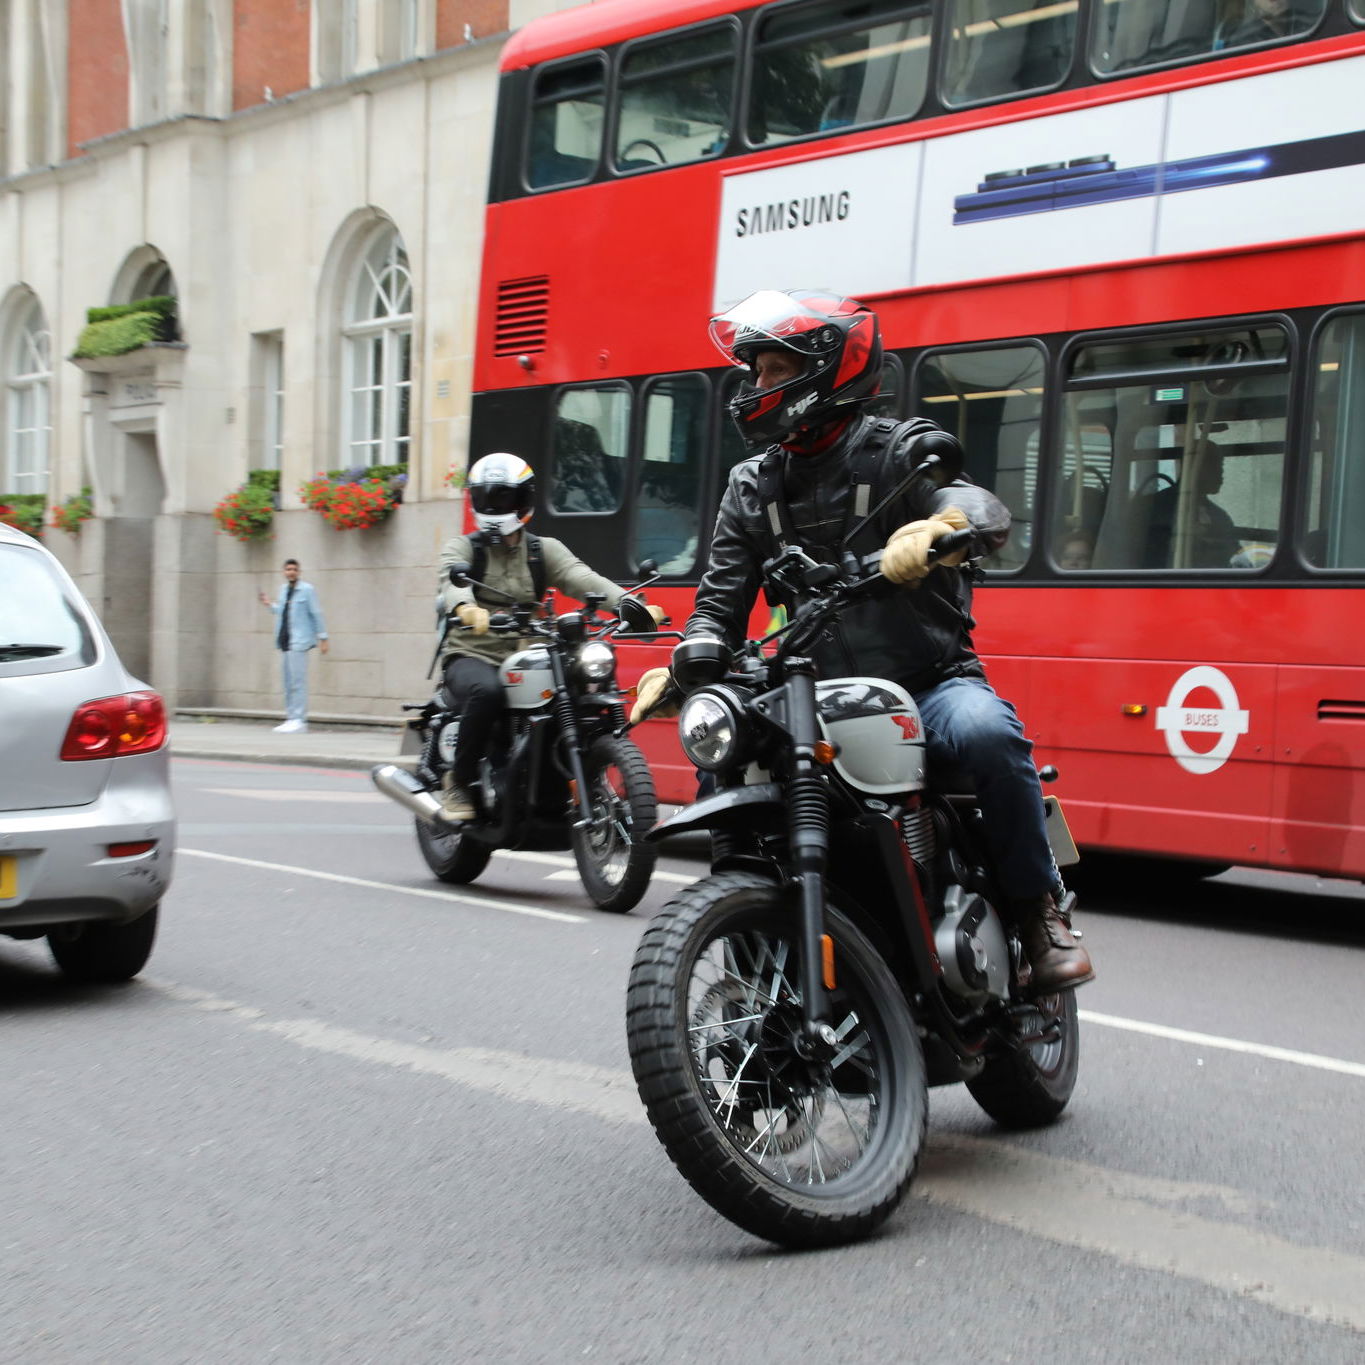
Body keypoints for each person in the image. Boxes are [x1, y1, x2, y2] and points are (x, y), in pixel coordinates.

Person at [631, 288, 1093, 995]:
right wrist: (690, 658)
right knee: (720, 760)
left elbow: (979, 509)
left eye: (773, 371)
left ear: (828, 371)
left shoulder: (898, 453)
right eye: (753, 372)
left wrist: (938, 529)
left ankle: (1036, 915)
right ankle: (746, 940)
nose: (757, 387)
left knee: (988, 734)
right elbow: (718, 605)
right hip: (807, 691)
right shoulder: (751, 487)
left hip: (928, 679)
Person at [436, 452, 664, 822]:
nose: (495, 506)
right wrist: (466, 608)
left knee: (576, 689)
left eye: (504, 497)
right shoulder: (463, 548)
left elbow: (584, 579)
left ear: (523, 499)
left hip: (530, 651)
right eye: (487, 497)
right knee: (488, 692)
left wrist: (631, 605)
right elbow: (451, 581)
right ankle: (459, 782)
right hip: (472, 653)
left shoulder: (544, 551)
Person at [259, 558, 328, 733]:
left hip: (299, 641)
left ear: (299, 572)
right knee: (288, 682)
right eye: (288, 569)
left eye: (294, 569)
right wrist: (269, 605)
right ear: (284, 572)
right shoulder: (283, 590)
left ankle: (300, 720)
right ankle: (291, 718)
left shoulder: (307, 590)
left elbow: (316, 614)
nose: (291, 572)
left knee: (298, 682)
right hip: (285, 641)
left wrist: (323, 638)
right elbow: (282, 611)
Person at [1145, 452, 1240, 569]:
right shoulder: (1154, 507)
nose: (1221, 474)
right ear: (1195, 467)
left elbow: (1235, 557)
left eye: (1221, 468)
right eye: (1216, 467)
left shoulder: (1219, 516)